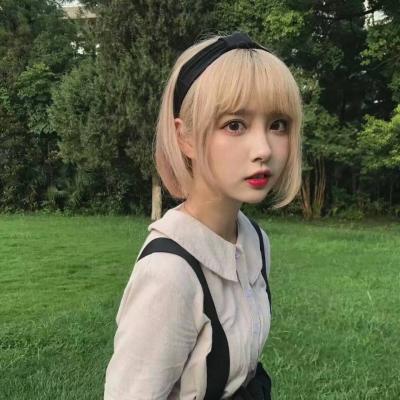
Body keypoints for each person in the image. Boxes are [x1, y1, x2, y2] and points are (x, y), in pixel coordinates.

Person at [104, 32, 302, 399]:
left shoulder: (255, 242)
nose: (263, 149)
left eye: (278, 124)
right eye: (235, 125)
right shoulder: (169, 274)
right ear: (185, 137)